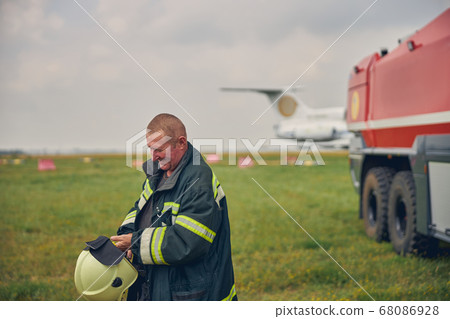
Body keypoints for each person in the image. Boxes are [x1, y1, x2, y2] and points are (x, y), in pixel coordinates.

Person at [111, 113, 237, 301]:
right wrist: (125, 236)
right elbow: (139, 210)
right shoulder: (158, 174)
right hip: (156, 285)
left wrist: (135, 243)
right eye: (150, 149)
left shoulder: (197, 182)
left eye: (159, 149)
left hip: (191, 293)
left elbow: (187, 242)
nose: (153, 156)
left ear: (181, 143)